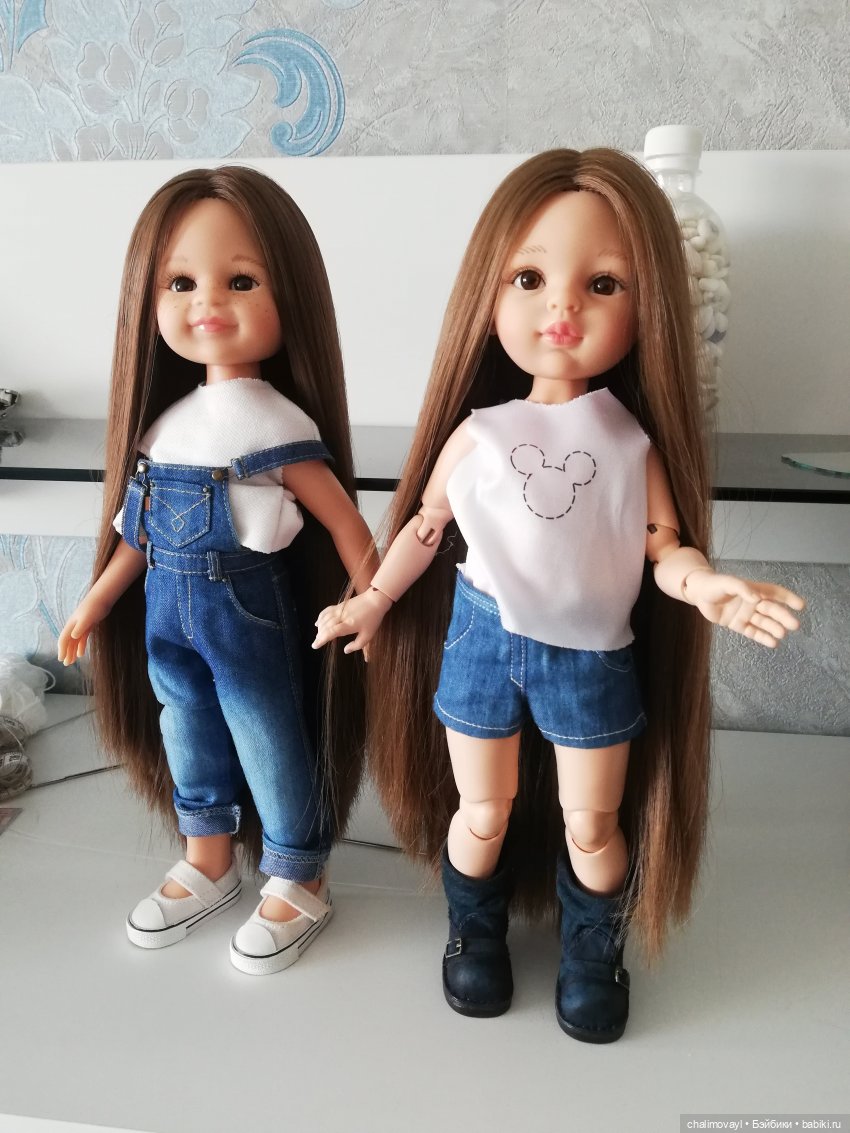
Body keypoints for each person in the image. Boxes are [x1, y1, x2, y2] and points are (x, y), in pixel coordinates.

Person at [314, 148, 804, 1039]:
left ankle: (591, 947)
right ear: (488, 294)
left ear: (648, 306)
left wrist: (706, 587)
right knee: (482, 810)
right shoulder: (479, 432)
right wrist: (372, 600)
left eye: (603, 284)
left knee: (592, 822)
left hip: (589, 653)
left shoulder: (628, 440)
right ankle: (474, 929)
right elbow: (425, 527)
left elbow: (663, 545)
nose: (563, 307)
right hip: (482, 638)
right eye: (530, 278)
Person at [59, 166, 377, 976]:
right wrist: (94, 602)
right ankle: (208, 854)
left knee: (266, 728)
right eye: (180, 282)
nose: (208, 303)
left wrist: (375, 599)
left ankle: (300, 872)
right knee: (186, 724)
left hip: (246, 610)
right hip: (165, 613)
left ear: (289, 296)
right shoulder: (164, 426)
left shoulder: (274, 422)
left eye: (241, 281)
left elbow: (343, 520)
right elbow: (137, 534)